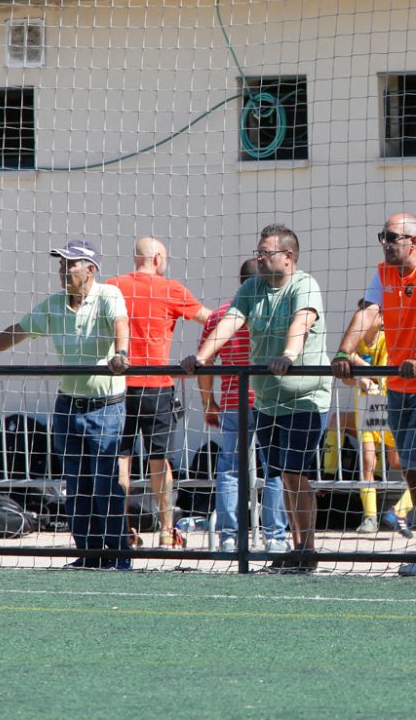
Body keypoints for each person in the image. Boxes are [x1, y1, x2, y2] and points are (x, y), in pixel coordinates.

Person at [0, 239, 132, 569]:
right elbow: (16, 332)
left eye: (71, 264)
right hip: (68, 406)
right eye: (61, 264)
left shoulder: (109, 295)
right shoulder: (54, 305)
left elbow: (121, 324)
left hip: (106, 406)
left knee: (105, 482)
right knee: (76, 485)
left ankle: (118, 555)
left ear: (91, 269)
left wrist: (121, 354)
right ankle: (89, 555)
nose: (63, 270)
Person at [182, 224, 331, 574]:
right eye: (259, 251)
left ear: (288, 257)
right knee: (276, 474)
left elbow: (302, 320)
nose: (259, 257)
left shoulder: (304, 284)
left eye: (266, 252)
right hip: (266, 401)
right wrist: (203, 356)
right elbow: (230, 321)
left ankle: (305, 550)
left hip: (306, 399)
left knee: (294, 474)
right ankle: (288, 549)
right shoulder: (252, 287)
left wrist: (290, 354)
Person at [332, 213, 416, 577]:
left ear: (414, 242)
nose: (385, 242)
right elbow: (367, 312)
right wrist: (343, 353)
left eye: (392, 237)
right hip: (399, 385)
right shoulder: (383, 273)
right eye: (382, 235)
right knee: (411, 468)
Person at [108, 237, 210, 548]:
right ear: (156, 259)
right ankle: (167, 531)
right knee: (159, 461)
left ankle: (122, 530)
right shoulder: (171, 289)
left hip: (118, 386)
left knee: (120, 461)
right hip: (157, 386)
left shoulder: (113, 287)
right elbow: (210, 319)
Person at [195, 258, 289, 553]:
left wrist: (208, 402)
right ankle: (275, 536)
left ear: (240, 283)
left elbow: (205, 360)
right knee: (273, 469)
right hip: (269, 401)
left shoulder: (219, 317)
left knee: (230, 470)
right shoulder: (273, 312)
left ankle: (229, 536)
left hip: (234, 402)